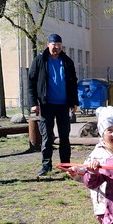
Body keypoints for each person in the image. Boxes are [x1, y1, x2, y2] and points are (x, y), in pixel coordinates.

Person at [28, 33, 79, 177]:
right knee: (47, 137)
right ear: (48, 45)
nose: (56, 47)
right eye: (53, 45)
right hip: (46, 105)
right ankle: (46, 165)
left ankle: (65, 165)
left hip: (63, 105)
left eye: (59, 45)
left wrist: (74, 102)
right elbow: (31, 82)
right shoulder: (40, 60)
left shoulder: (67, 61)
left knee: (64, 137)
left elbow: (73, 82)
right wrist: (33, 103)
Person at [67, 106, 113, 222]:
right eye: (110, 130)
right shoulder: (97, 154)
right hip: (103, 205)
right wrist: (76, 172)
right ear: (102, 133)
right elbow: (85, 172)